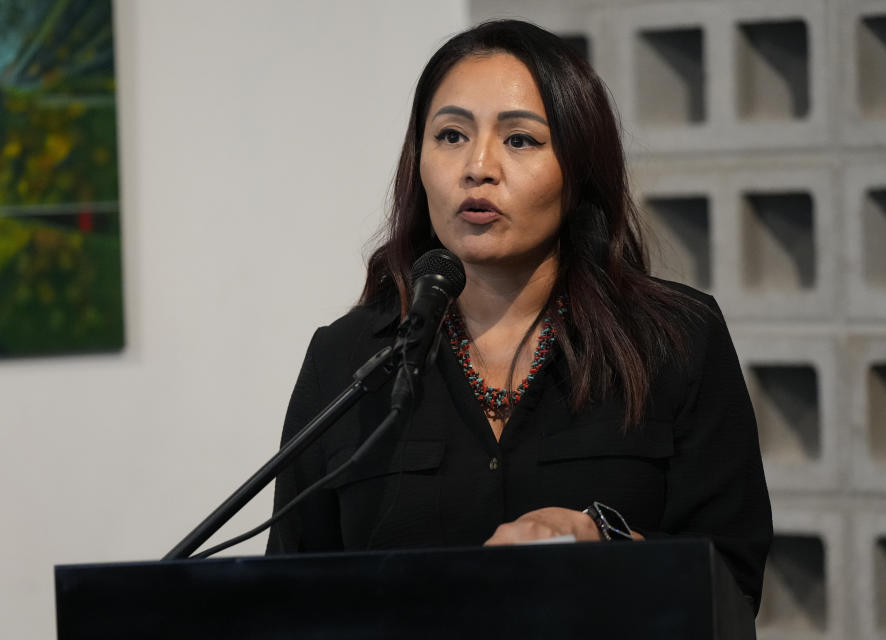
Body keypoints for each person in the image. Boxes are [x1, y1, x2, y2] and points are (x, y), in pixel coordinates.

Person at [267, 19, 772, 613]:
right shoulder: (348, 358)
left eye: (520, 140)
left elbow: (732, 586)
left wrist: (601, 537)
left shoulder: (676, 338)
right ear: (419, 161)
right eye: (451, 135)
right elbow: (289, 598)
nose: (478, 167)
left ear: (579, 168)